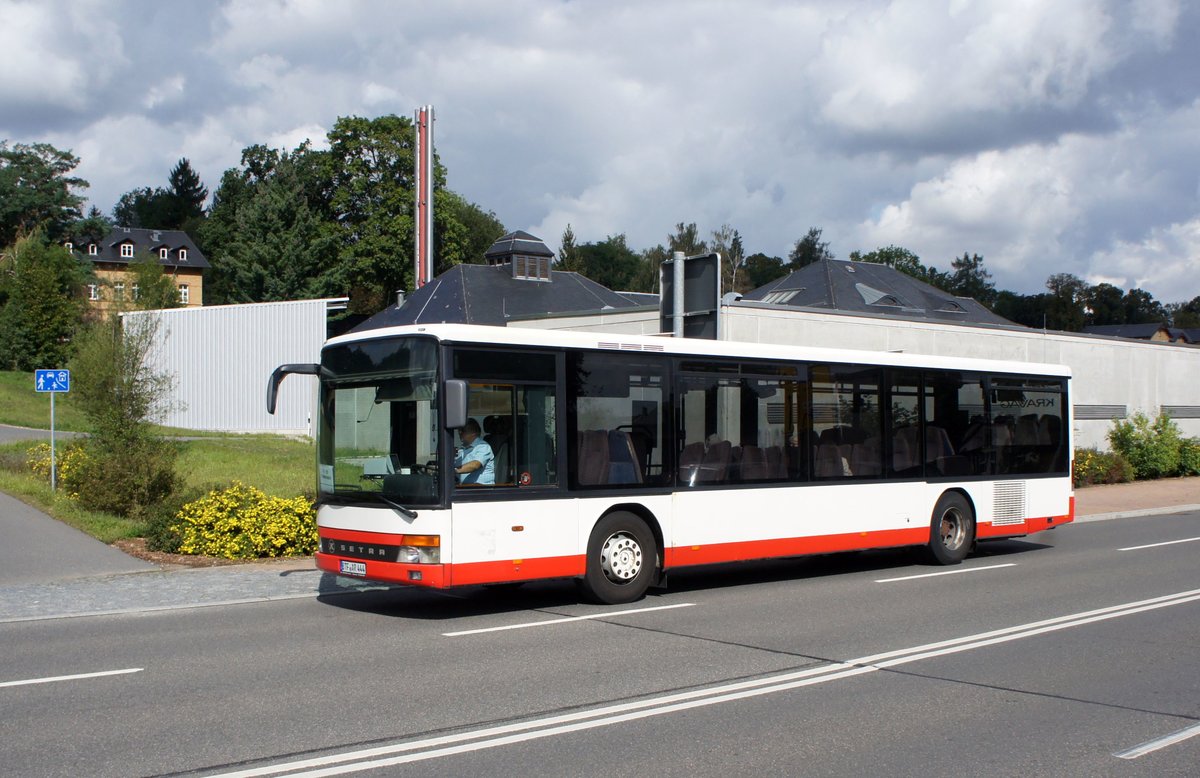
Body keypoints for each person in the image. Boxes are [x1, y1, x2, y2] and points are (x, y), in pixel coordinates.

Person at [453, 418, 495, 485]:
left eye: (463, 430)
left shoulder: (483, 446)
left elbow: (475, 465)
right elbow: (454, 465)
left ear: (473, 433)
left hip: (481, 490)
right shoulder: (462, 449)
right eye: (459, 430)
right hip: (464, 489)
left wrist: (453, 471)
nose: (459, 433)